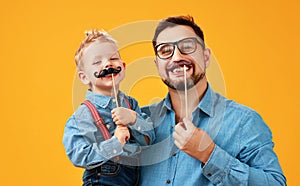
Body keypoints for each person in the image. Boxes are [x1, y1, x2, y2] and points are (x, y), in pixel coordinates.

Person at [139, 15, 286, 185]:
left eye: (187, 46)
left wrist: (209, 154)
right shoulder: (140, 121)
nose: (177, 57)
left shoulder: (244, 121)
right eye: (165, 50)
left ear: (206, 56)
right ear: (157, 65)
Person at [63, 29, 155, 186]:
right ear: (84, 77)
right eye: (97, 62)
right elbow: (78, 155)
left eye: (113, 58)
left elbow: (149, 138)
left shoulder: (131, 104)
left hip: (136, 178)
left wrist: (134, 120)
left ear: (123, 67)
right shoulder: (84, 115)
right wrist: (115, 143)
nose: (108, 64)